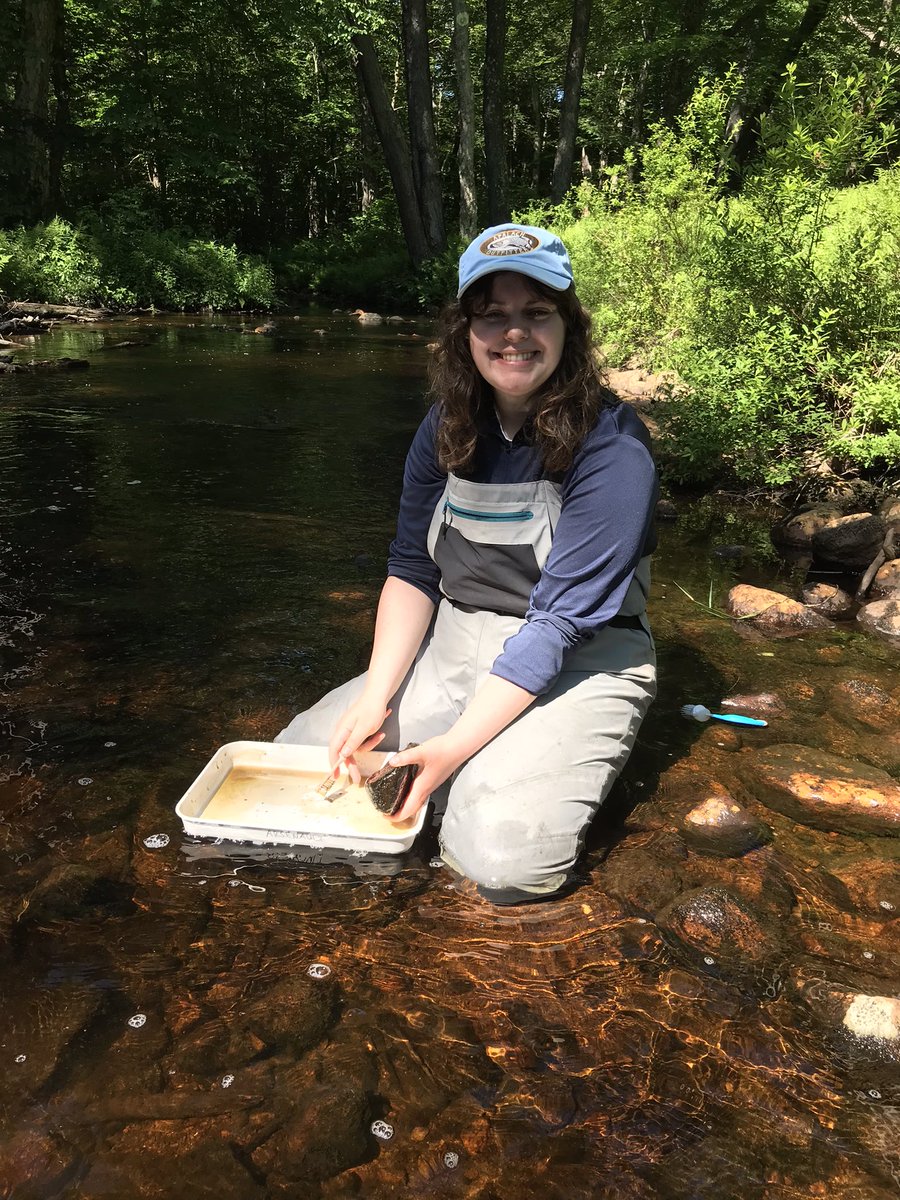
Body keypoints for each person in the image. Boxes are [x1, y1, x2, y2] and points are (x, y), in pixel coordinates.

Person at [277, 223, 657, 903]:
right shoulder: (445, 424)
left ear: (568, 326)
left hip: (579, 659)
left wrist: (451, 747)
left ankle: (527, 772)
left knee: (498, 866)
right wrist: (375, 697)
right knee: (298, 768)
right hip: (453, 644)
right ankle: (477, 771)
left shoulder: (614, 448)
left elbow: (559, 626)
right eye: (492, 315)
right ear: (464, 331)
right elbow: (411, 569)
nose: (514, 333)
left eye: (536, 312)